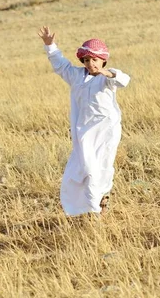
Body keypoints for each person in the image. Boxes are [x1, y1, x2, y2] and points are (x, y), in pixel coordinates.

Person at [38, 26, 130, 217]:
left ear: (103, 60)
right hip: (83, 132)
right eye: (86, 60)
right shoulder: (77, 77)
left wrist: (108, 73)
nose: (90, 63)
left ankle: (99, 205)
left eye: (94, 60)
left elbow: (123, 80)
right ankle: (85, 208)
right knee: (82, 168)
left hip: (106, 130)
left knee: (101, 167)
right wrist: (50, 45)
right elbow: (60, 65)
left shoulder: (108, 78)